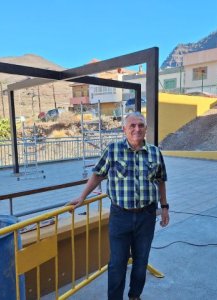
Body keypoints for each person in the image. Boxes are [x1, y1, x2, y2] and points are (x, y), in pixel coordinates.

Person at [69, 112, 169, 300]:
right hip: (120, 216)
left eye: (140, 125)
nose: (136, 129)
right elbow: (98, 174)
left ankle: (134, 295)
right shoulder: (113, 150)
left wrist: (164, 207)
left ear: (146, 129)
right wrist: (82, 197)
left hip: (146, 216)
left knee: (141, 261)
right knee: (117, 263)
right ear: (124, 129)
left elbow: (161, 180)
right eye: (132, 125)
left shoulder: (155, 152)